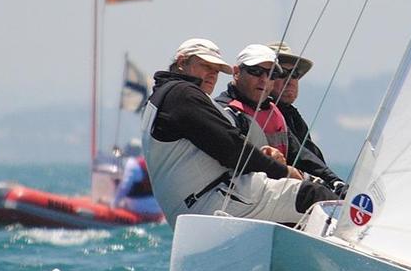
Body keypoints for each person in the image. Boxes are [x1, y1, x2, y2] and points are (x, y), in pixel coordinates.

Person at [141, 38, 338, 228]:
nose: (212, 75)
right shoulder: (183, 94)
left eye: (216, 70)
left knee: (297, 207)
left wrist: (264, 157)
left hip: (193, 210)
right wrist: (284, 171)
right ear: (183, 62)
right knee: (312, 195)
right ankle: (358, 244)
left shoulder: (160, 98)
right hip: (213, 202)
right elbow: (231, 148)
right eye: (206, 66)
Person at [217, 43, 346, 195]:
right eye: (283, 73)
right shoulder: (226, 111)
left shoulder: (285, 115)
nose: (264, 79)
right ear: (237, 72)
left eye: (295, 74)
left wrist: (336, 183)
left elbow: (304, 156)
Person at [112, 138, 163, 219]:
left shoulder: (132, 163)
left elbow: (124, 187)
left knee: (117, 203)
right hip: (157, 210)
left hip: (139, 209)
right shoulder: (150, 162)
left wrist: (114, 204)